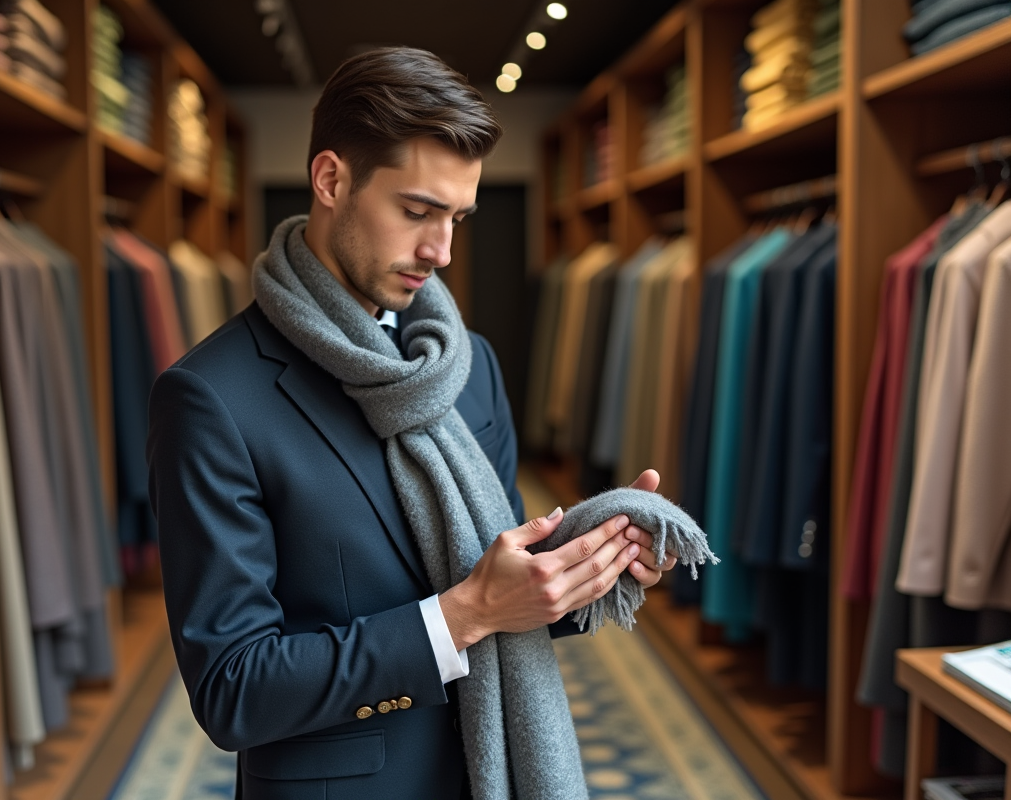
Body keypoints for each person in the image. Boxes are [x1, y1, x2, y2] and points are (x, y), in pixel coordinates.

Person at [147, 46, 676, 800]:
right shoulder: (211, 397)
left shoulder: (469, 365)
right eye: (417, 211)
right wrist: (461, 617)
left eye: (457, 217)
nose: (442, 250)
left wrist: (590, 568)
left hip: (493, 770)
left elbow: (496, 587)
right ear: (331, 180)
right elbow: (233, 690)